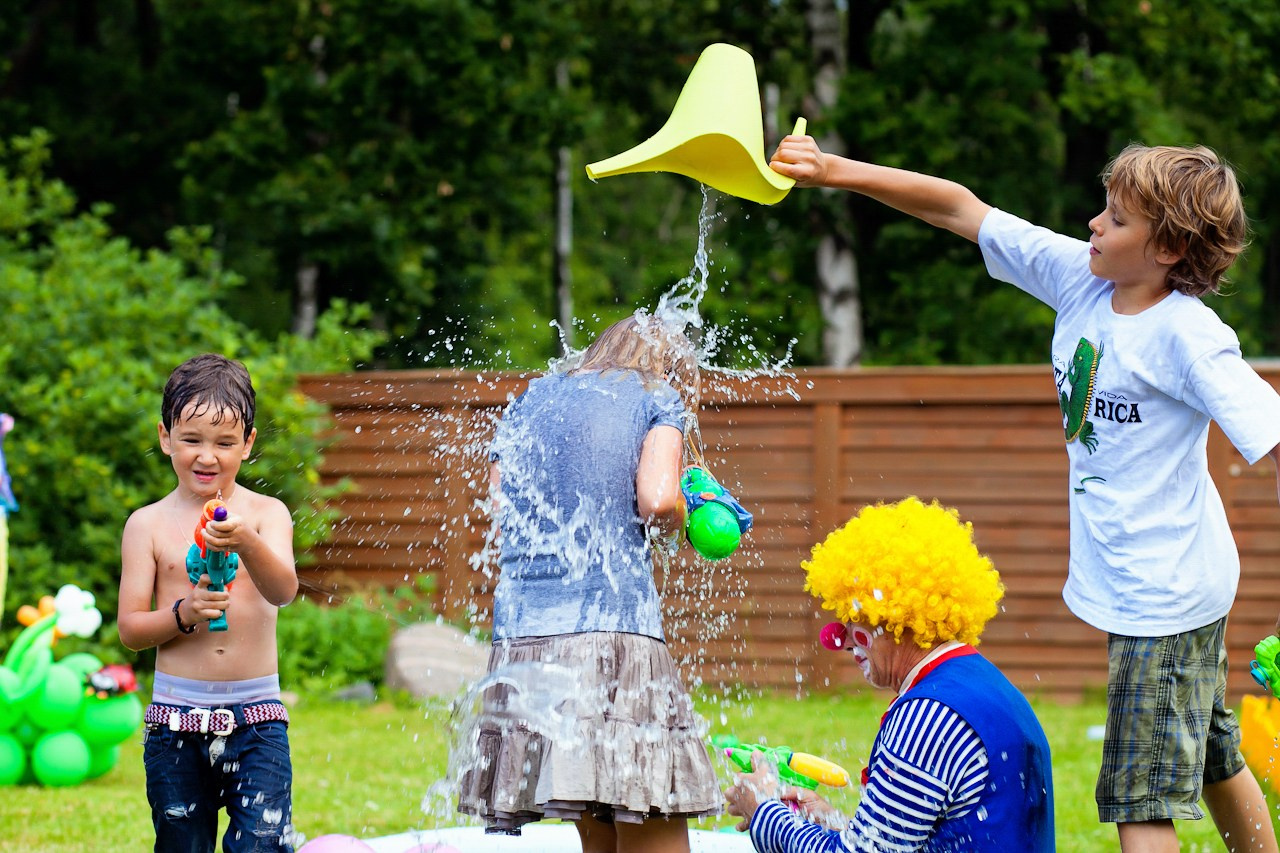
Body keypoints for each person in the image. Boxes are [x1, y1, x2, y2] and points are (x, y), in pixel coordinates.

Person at [769, 136, 1280, 852]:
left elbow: (1271, 429)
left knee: (1138, 798)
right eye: (1104, 208)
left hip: (1162, 592)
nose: (1095, 224)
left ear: (1166, 249)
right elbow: (959, 207)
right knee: (1212, 749)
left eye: (1118, 218)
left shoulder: (1190, 337)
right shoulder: (1081, 277)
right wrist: (831, 172)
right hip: (1166, 581)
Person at [455, 313, 722, 853]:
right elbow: (656, 499)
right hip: (613, 638)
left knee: (596, 822)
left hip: (525, 646)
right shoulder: (657, 396)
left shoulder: (532, 399)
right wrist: (690, 513)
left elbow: (501, 510)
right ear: (670, 365)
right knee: (652, 822)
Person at [725, 496, 1054, 852]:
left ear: (894, 615)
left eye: (852, 616)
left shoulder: (927, 716)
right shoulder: (982, 683)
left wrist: (761, 810)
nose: (841, 638)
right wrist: (831, 822)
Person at [118, 353, 299, 853]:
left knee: (262, 843)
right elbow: (131, 630)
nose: (207, 456)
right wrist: (183, 613)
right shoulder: (147, 524)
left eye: (224, 442)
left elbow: (283, 590)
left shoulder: (266, 515)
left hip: (257, 720)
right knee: (181, 843)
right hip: (175, 722)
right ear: (165, 437)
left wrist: (246, 542)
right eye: (191, 439)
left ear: (249, 443)